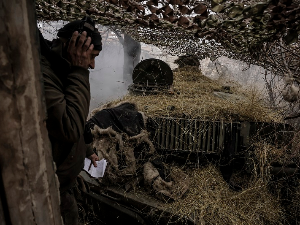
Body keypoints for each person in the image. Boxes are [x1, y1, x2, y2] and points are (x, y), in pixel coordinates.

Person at [39, 16, 102, 225]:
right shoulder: (43, 74)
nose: (92, 64)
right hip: (43, 191)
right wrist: (79, 71)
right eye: (91, 56)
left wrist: (88, 150)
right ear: (72, 46)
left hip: (63, 187)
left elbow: (77, 115)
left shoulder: (63, 67)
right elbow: (69, 126)